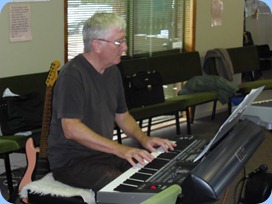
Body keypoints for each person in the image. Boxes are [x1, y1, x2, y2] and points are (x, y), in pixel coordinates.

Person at [47, 12, 176, 192]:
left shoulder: (113, 71)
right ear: (97, 45)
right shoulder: (72, 75)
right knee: (122, 188)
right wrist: (120, 149)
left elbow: (122, 116)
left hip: (102, 154)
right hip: (71, 162)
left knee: (153, 172)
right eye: (119, 42)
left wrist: (143, 139)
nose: (125, 47)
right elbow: (71, 129)